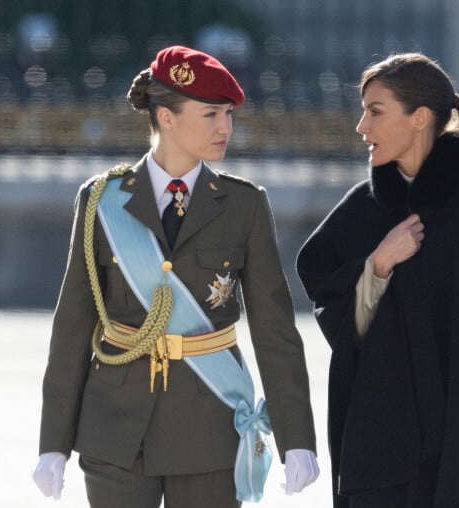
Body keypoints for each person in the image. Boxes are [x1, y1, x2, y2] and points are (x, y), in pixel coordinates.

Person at [32, 45, 319, 508]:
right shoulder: (102, 201)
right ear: (166, 117)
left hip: (209, 425)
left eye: (228, 114)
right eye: (210, 114)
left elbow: (275, 331)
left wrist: (297, 437)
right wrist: (53, 444)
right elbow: (72, 327)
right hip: (116, 428)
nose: (225, 127)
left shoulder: (243, 204)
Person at [297, 53, 459, 508]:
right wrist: (377, 264)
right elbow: (341, 325)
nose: (361, 127)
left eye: (375, 111)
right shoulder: (360, 213)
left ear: (419, 119)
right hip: (381, 452)